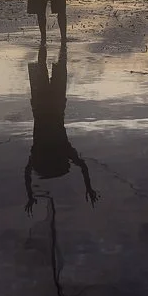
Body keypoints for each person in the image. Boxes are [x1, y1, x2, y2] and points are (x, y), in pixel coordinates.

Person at [24, 42, 99, 213]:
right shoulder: (44, 151)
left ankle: (44, 41)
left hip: (53, 104)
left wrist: (89, 186)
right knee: (44, 67)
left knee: (55, 66)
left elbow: (83, 166)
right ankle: (46, 42)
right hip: (43, 104)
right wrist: (29, 193)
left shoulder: (60, 150)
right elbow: (27, 172)